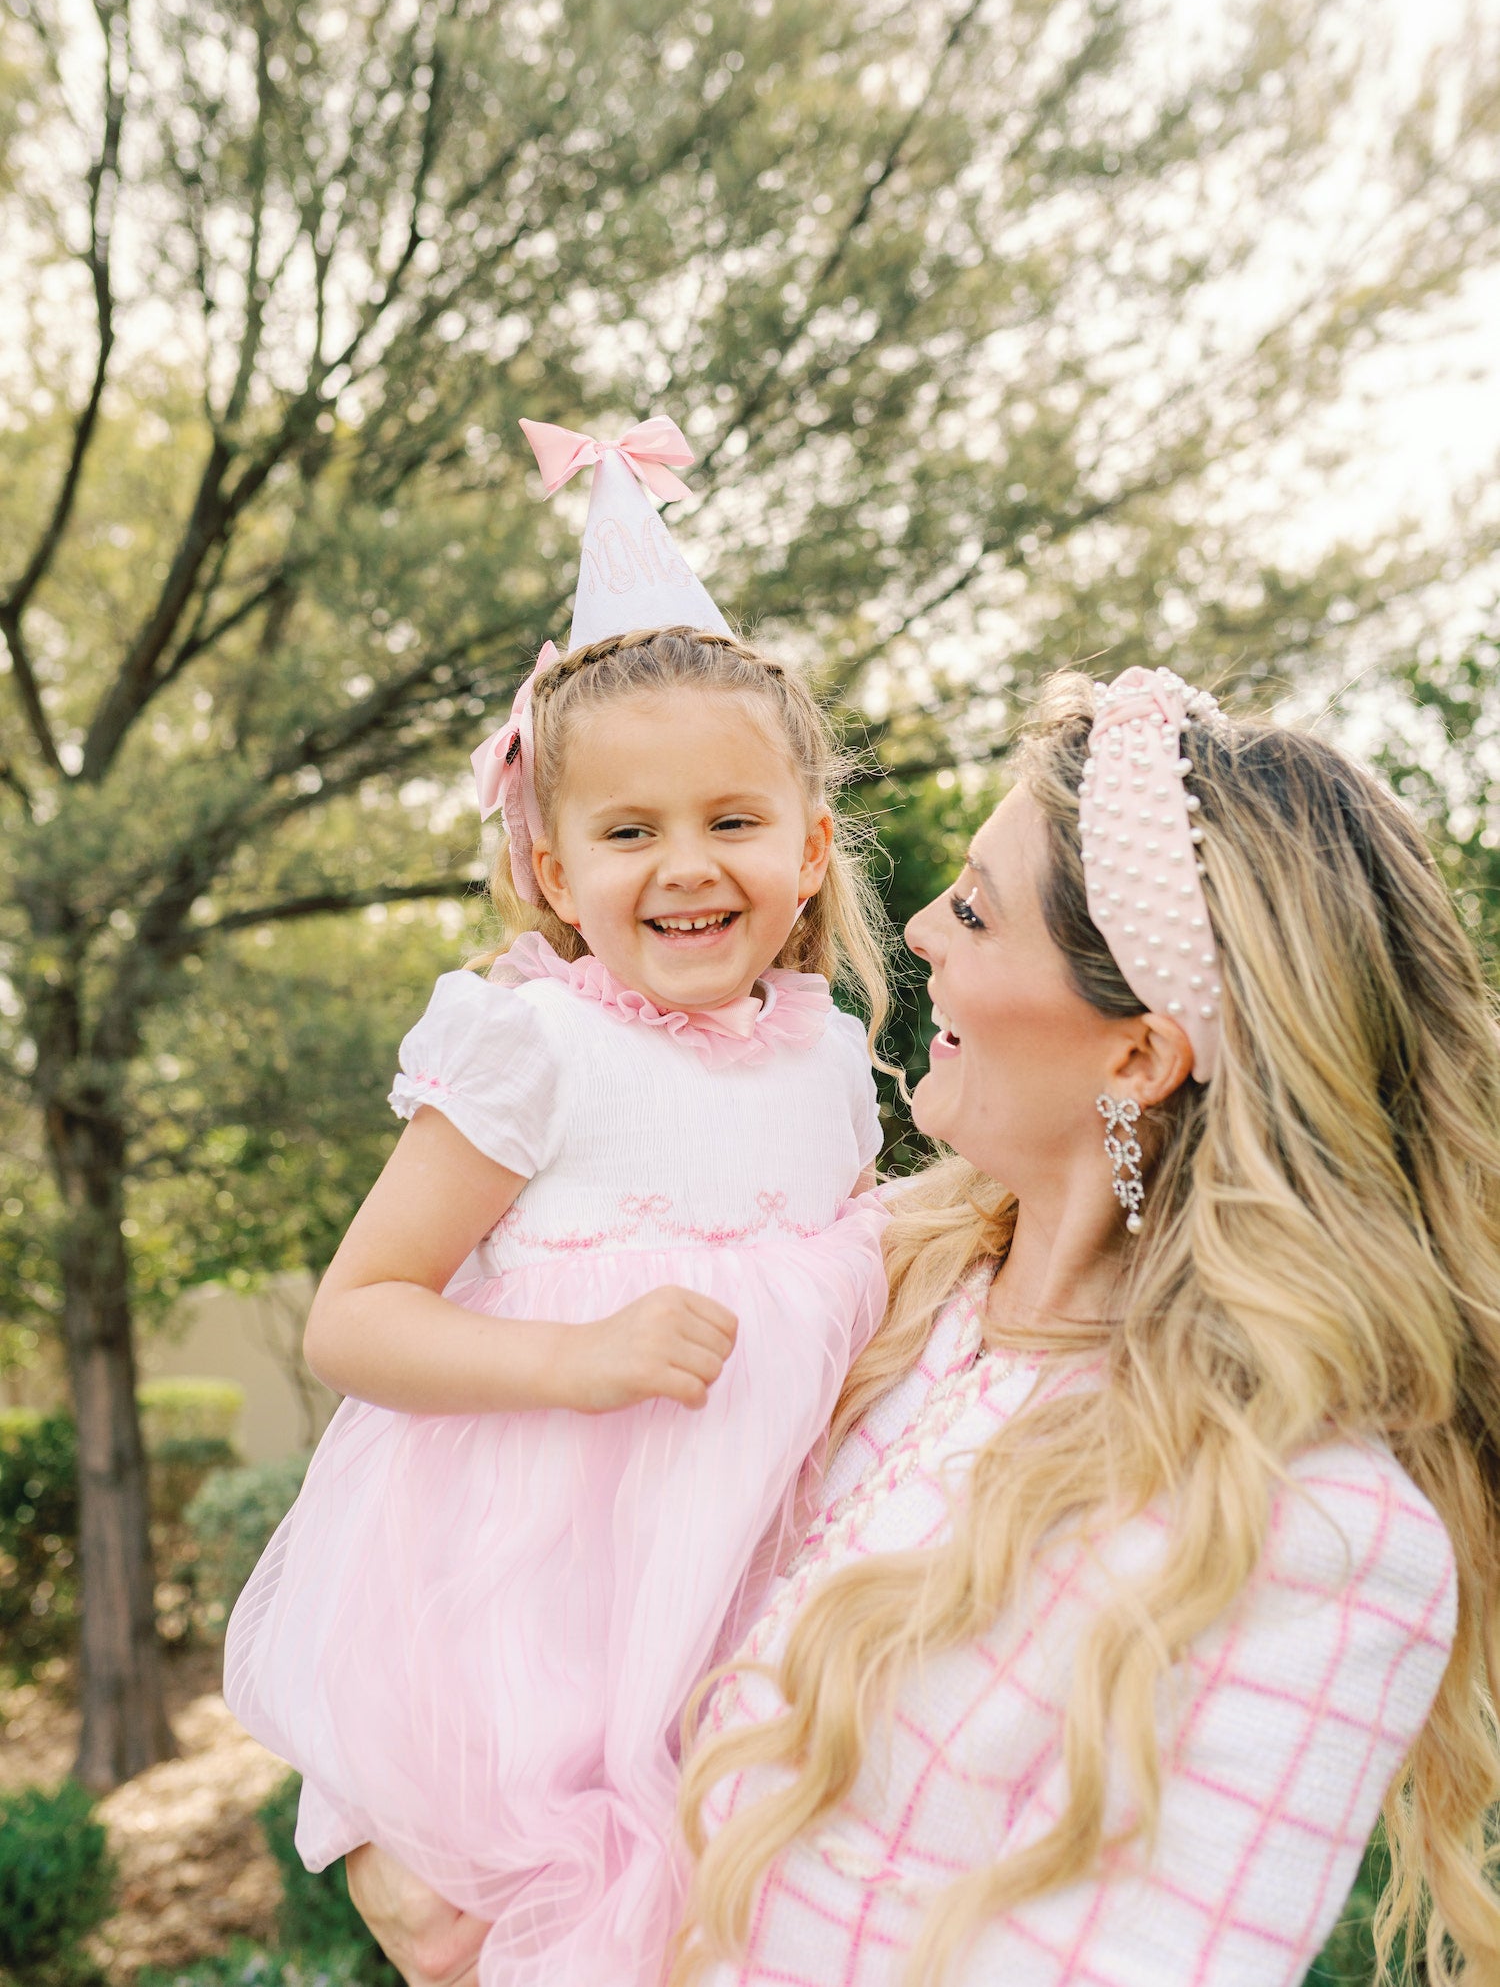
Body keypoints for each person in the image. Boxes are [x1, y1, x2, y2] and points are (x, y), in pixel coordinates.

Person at [347, 667, 1500, 1987]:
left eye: (975, 907)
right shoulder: (859, 1278)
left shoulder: (1312, 1526)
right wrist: (370, 1811)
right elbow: (475, 1517)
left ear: (1137, 1056)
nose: (920, 931)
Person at [222, 419, 892, 1987]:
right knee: (509, 1931)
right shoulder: (533, 1045)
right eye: (629, 831)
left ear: (807, 846)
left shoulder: (838, 1059)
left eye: (731, 821)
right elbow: (354, 1315)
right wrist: (571, 1358)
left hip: (750, 1594)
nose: (686, 867)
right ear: (546, 859)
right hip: (531, 1615)